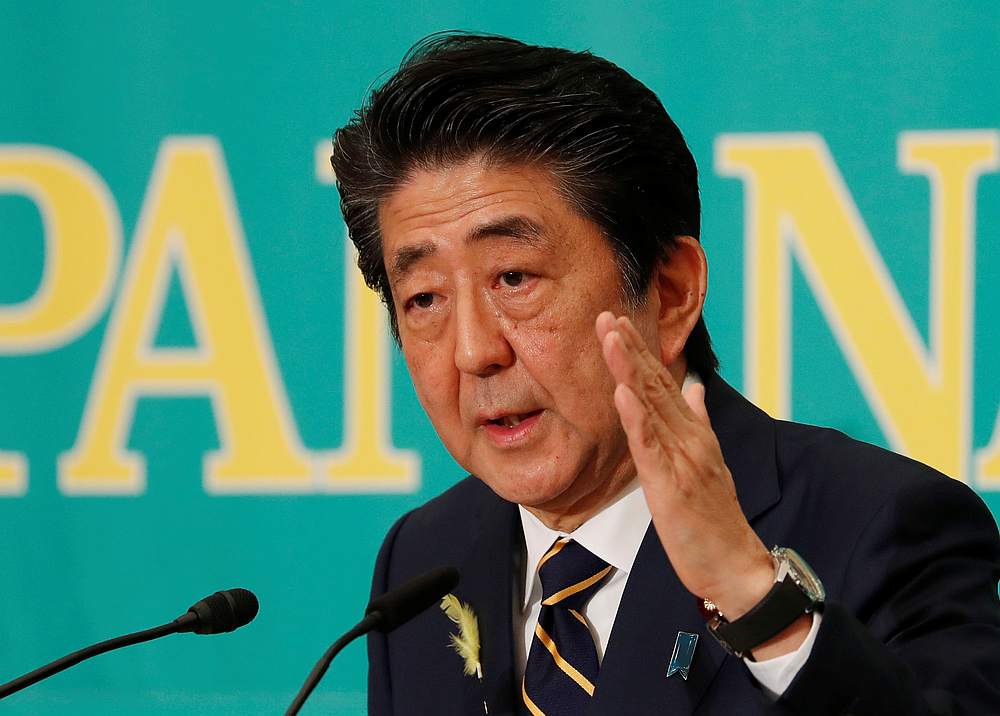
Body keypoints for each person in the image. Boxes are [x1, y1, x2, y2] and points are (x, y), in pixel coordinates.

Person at [330, 33, 1000, 715]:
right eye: (424, 299)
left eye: (513, 277)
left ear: (672, 291)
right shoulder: (424, 560)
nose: (473, 351)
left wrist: (756, 600)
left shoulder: (878, 526)